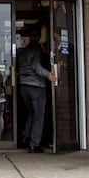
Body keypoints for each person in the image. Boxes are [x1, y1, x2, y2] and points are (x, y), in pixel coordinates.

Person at [17, 25, 56, 153]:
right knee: (39, 116)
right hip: (36, 87)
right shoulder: (36, 51)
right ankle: (34, 144)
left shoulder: (22, 52)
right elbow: (35, 66)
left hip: (24, 87)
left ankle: (25, 138)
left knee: (31, 113)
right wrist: (48, 74)